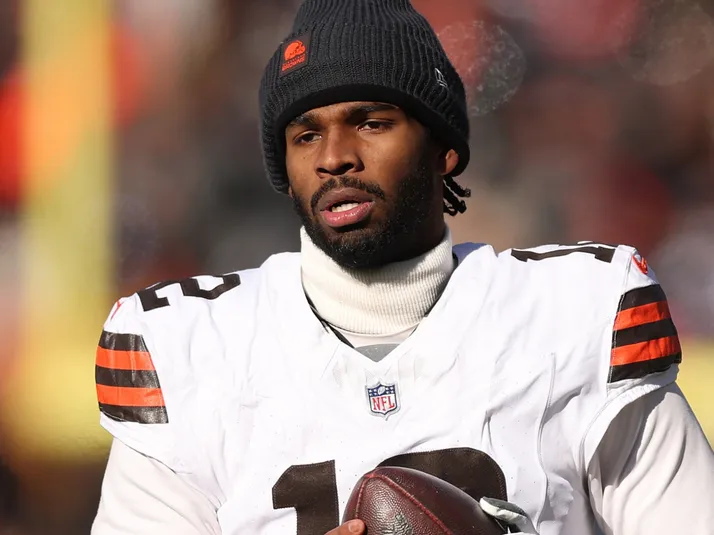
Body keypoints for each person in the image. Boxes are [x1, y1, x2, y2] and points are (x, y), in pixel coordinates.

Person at [90, 1, 714, 534]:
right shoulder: (193, 350)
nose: (335, 156)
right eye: (306, 135)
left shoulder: (572, 318)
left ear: (444, 150)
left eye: (371, 123)